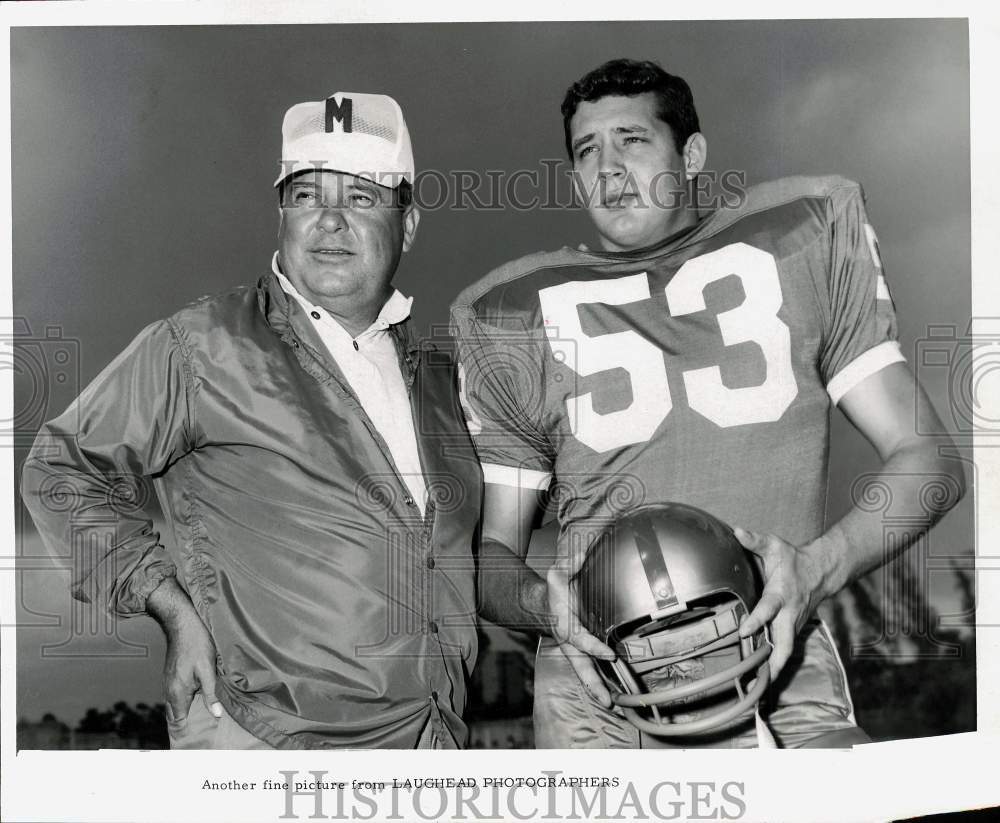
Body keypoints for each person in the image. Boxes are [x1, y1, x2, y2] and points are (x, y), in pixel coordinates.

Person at [450, 59, 965, 748]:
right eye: (585, 151)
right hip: (600, 689)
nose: (607, 169)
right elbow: (490, 556)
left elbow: (929, 459)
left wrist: (817, 567)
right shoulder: (512, 312)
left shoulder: (803, 237)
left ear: (691, 154)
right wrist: (548, 603)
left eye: (631, 139)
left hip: (773, 651)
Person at [22, 91, 481, 749]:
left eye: (360, 197)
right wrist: (170, 604)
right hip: (264, 739)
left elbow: (467, 565)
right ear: (280, 215)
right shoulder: (202, 343)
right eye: (306, 195)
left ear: (407, 224)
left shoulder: (440, 382)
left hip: (429, 746)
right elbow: (60, 466)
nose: (328, 220)